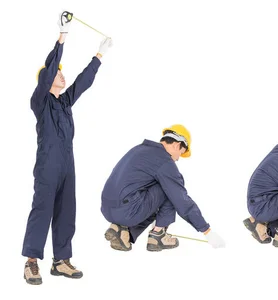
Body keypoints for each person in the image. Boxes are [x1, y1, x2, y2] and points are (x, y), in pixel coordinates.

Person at [22, 11, 113, 285]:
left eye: (62, 74)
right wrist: (63, 37)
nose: (62, 77)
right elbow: (51, 68)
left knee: (66, 211)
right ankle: (31, 262)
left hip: (67, 165)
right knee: (42, 210)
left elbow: (82, 83)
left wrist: (99, 56)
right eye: (58, 74)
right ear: (46, 81)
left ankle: (60, 261)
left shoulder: (64, 103)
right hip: (48, 166)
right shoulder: (40, 101)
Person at [101, 125, 226, 253]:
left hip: (108, 209)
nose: (177, 159)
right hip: (128, 211)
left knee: (161, 187)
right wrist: (207, 231)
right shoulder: (164, 161)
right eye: (180, 154)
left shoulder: (139, 149)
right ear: (177, 145)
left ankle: (123, 231)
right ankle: (158, 235)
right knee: (172, 187)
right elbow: (181, 200)